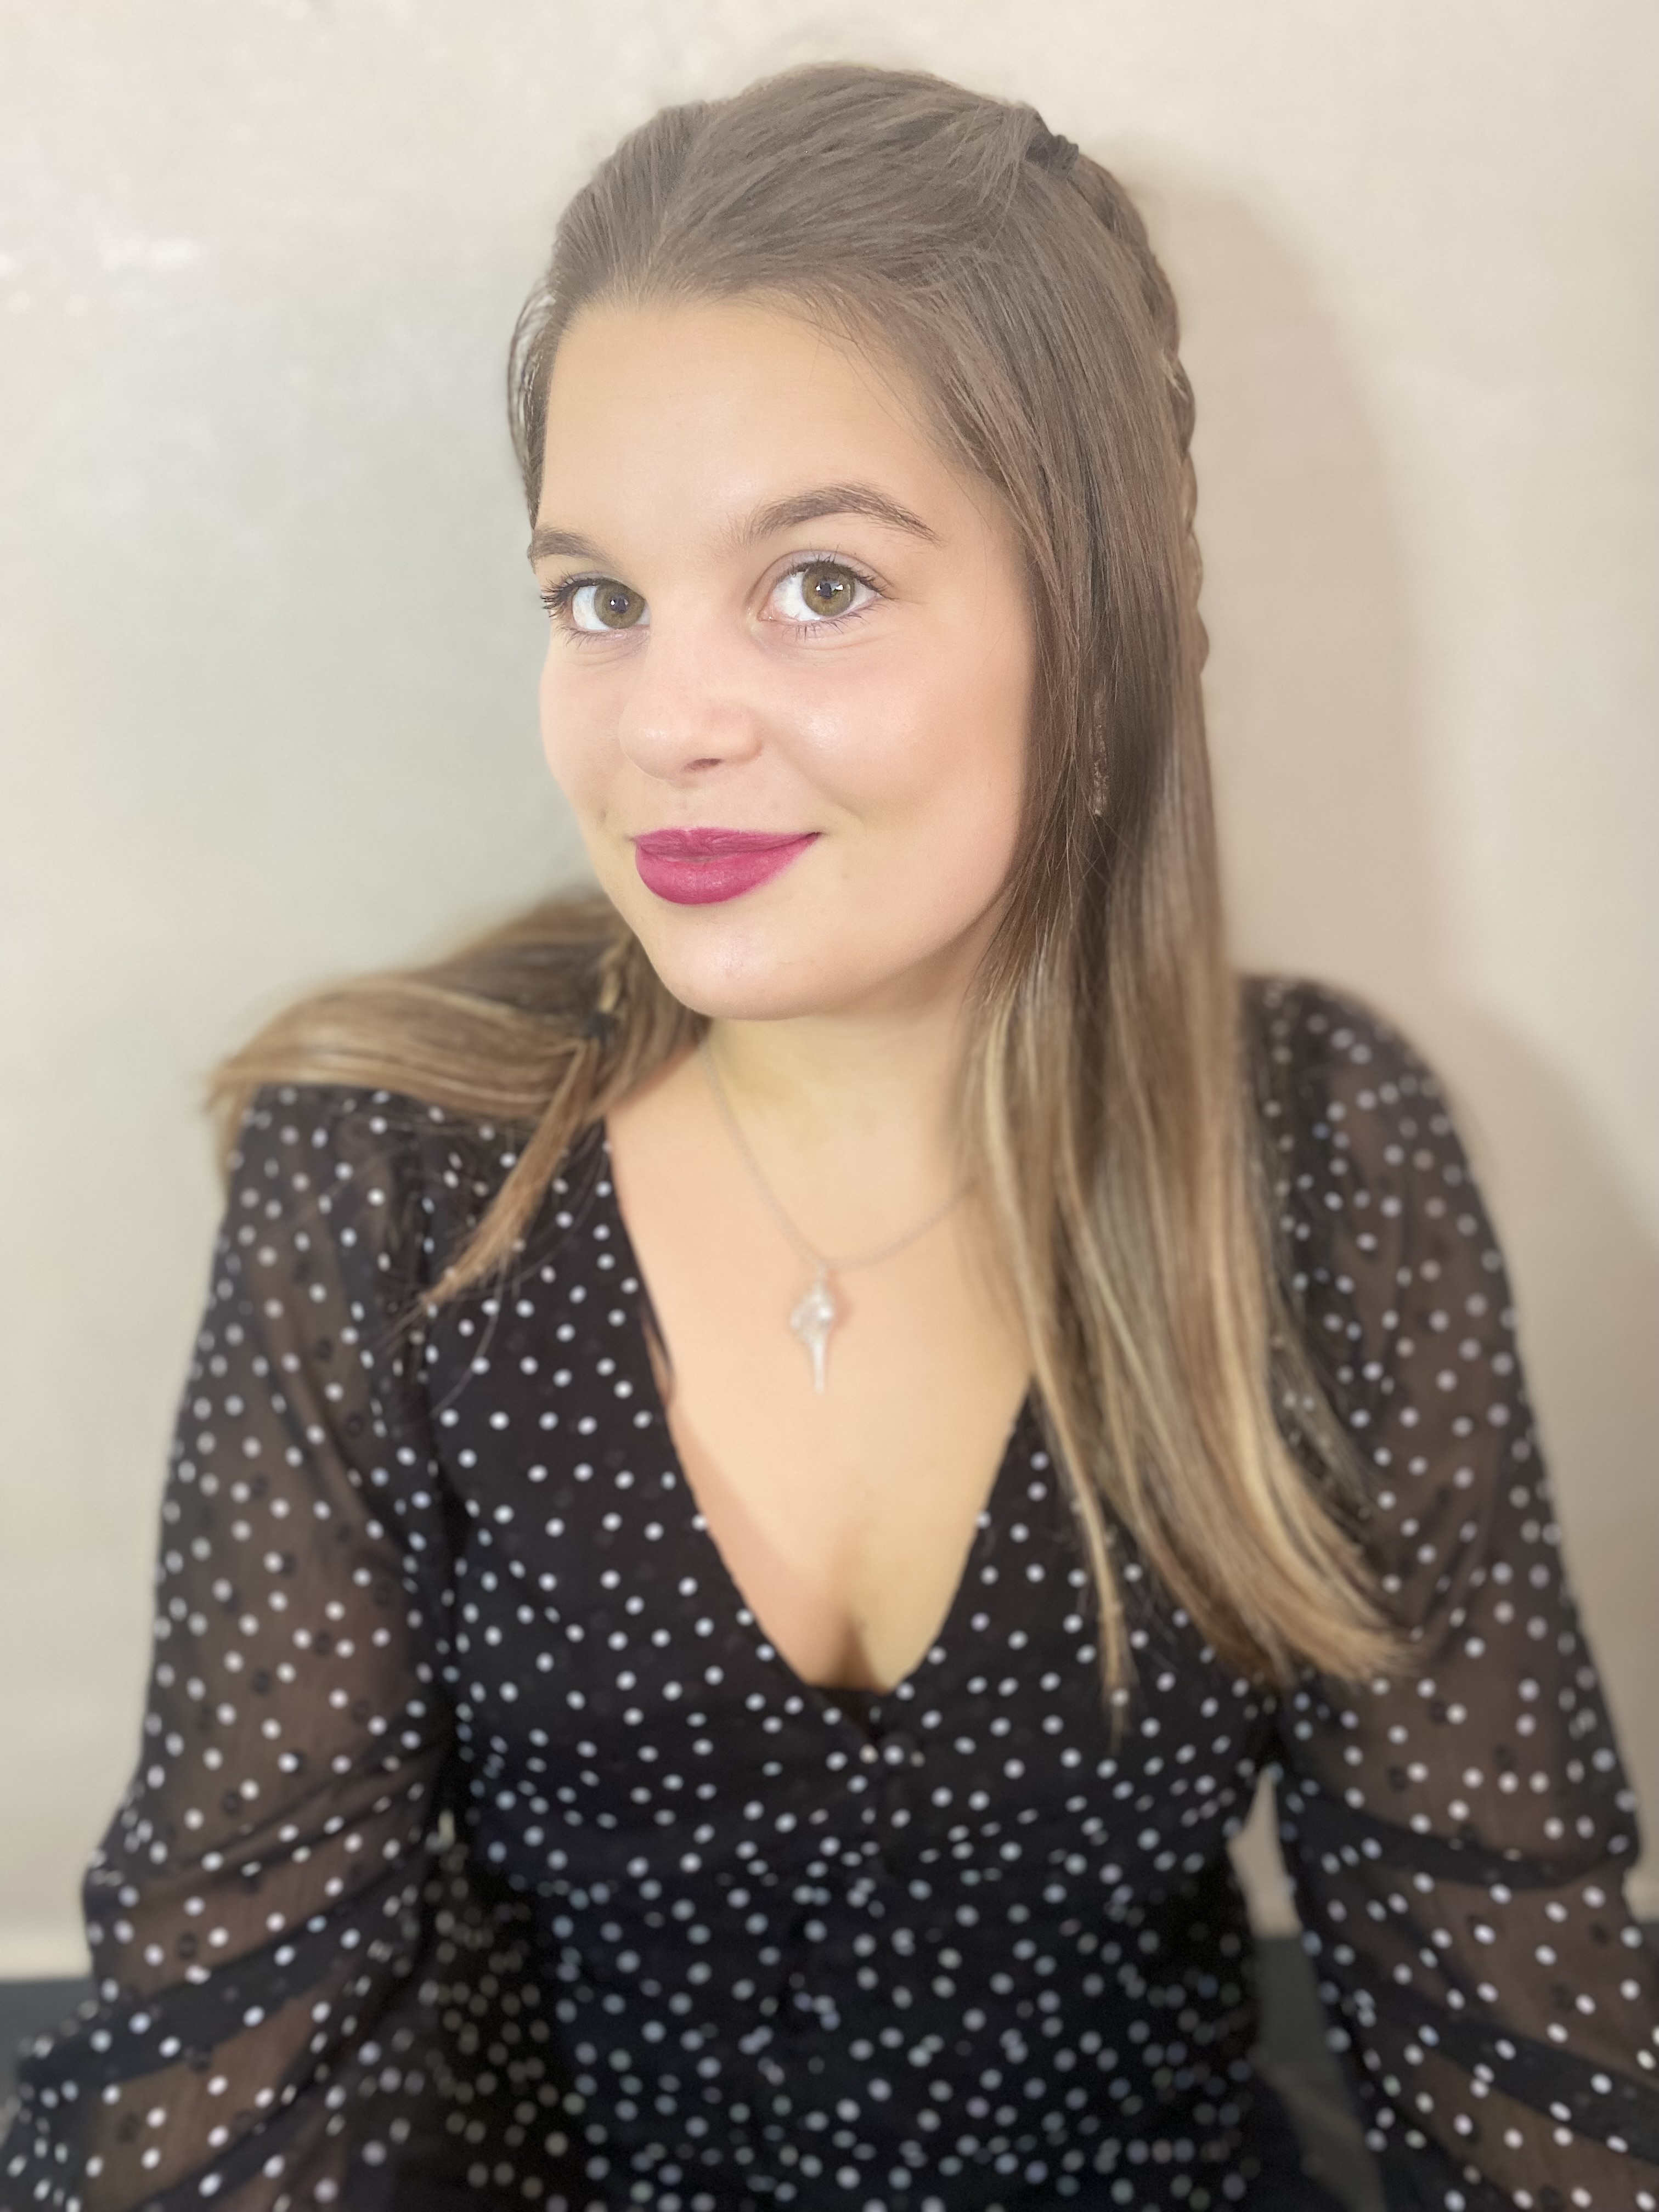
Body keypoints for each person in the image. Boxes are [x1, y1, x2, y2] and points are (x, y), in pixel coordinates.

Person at [2, 60, 1653, 2212]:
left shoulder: (1320, 1160)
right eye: (599, 598)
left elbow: (1509, 1997)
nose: (662, 723)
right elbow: (229, 2029)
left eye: (819, 585)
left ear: (1096, 624)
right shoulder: (394, 1168)